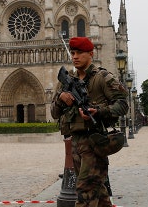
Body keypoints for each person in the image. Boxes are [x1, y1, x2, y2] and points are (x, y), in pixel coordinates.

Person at [51, 37, 128, 207]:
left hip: (95, 143)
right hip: (76, 144)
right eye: (73, 53)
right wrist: (61, 98)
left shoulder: (103, 77)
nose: (75, 56)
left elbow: (123, 105)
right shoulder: (67, 81)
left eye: (79, 53)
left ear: (91, 54)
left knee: (85, 192)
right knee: (98, 193)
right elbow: (54, 113)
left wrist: (99, 111)